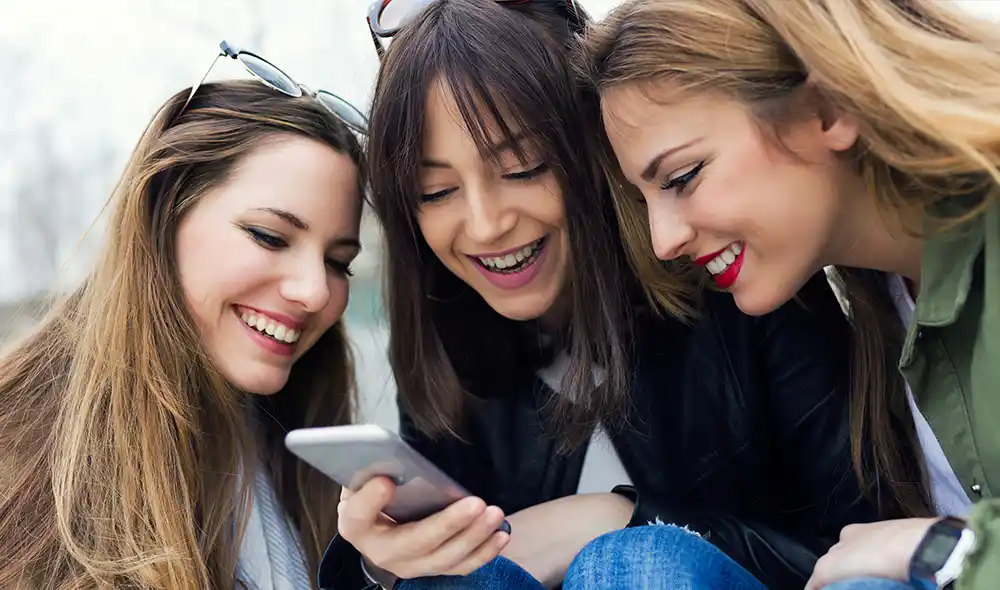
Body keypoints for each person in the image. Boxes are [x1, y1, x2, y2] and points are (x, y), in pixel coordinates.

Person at [318, 2, 928, 589]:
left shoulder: (748, 286)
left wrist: (612, 519)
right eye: (435, 192)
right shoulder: (451, 342)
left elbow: (868, 549)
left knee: (638, 567)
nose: (484, 225)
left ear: (597, 153)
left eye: (524, 167)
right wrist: (382, 566)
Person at [578, 0, 1000, 588]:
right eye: (645, 197)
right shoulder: (875, 303)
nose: (663, 240)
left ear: (828, 107)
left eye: (682, 177)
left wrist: (944, 550)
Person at [0, 42, 368, 589]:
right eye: (269, 236)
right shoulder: (19, 456)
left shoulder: (304, 452)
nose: (316, 292)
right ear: (161, 212)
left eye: (338, 263)